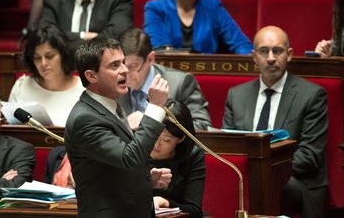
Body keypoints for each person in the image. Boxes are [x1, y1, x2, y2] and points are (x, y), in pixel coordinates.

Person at [223, 26, 328, 218]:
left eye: (277, 51)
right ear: (254, 57)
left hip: (295, 181)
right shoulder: (236, 95)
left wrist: (261, 170)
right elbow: (228, 148)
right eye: (264, 51)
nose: (271, 58)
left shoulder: (311, 95)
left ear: (288, 55)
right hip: (247, 177)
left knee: (262, 184)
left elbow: (310, 157)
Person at [65, 35, 171, 217]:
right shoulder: (85, 118)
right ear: (91, 76)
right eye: (114, 65)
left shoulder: (109, 105)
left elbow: (115, 166)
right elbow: (130, 158)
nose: (125, 70)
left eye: (123, 62)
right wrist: (154, 108)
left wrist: (144, 179)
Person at [118, 28, 211, 131]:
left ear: (150, 59)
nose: (125, 73)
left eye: (133, 66)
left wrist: (152, 121)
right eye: (120, 65)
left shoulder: (180, 83)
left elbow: (202, 126)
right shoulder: (113, 83)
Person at [144, 0, 253, 54]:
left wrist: (249, 57)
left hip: (207, 72)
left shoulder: (213, 6)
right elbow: (160, 50)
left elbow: (240, 44)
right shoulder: (155, 8)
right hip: (168, 75)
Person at [8, 25, 84, 127]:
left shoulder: (84, 89)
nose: (43, 63)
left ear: (64, 55)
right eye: (37, 57)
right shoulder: (22, 85)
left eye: (49, 56)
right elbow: (11, 129)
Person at [150, 99, 205, 217]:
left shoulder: (193, 156)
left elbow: (194, 209)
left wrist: (165, 202)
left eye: (166, 140)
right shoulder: (135, 150)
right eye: (153, 135)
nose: (156, 144)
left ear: (181, 139)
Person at [39, 0, 133, 43]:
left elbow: (116, 37)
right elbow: (46, 34)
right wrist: (85, 36)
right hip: (63, 64)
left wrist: (67, 38)